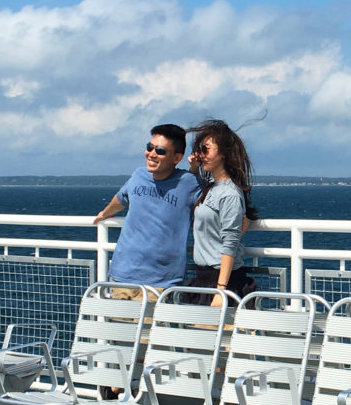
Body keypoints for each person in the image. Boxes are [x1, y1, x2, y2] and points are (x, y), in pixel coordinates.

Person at [93, 124, 203, 294]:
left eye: (160, 150)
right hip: (123, 275)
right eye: (149, 147)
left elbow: (211, 203)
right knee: (118, 321)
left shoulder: (188, 182)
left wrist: (196, 170)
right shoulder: (138, 175)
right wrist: (105, 213)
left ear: (176, 158)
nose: (151, 153)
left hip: (161, 282)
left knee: (152, 322)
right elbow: (122, 197)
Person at [184, 119, 259, 307]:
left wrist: (221, 289)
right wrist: (194, 169)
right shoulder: (211, 188)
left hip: (222, 282)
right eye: (199, 149)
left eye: (206, 149)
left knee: (220, 336)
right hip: (204, 279)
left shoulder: (229, 194)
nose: (201, 154)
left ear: (224, 154)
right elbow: (192, 193)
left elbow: (230, 243)